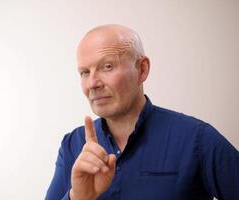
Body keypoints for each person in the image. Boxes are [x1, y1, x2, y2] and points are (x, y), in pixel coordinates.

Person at [45, 24, 239, 200]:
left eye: (107, 66)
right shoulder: (72, 145)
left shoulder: (197, 139)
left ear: (142, 69)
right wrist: (77, 197)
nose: (93, 83)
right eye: (85, 72)